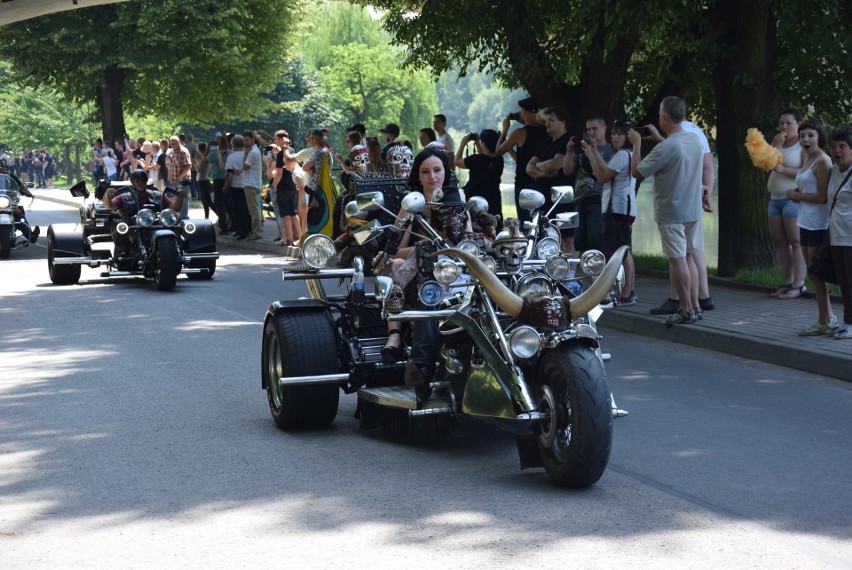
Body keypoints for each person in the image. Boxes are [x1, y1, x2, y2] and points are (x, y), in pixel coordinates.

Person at [630, 96, 704, 325]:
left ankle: (684, 309)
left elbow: (637, 171)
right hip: (693, 210)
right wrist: (660, 139)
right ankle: (695, 306)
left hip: (672, 211)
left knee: (677, 259)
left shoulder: (665, 147)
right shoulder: (693, 139)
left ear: (663, 118)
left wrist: (636, 144)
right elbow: (674, 148)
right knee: (690, 256)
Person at [648, 119, 717, 314]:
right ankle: (702, 298)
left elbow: (669, 156)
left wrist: (644, 143)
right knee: (694, 252)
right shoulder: (697, 133)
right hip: (693, 202)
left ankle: (680, 301)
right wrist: (707, 193)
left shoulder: (680, 134)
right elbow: (708, 167)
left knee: (679, 256)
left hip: (677, 204)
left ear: (665, 117)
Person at [784, 120, 835, 335]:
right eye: (802, 135)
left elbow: (824, 197)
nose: (805, 139)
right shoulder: (807, 158)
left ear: (819, 137)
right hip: (804, 221)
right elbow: (808, 185)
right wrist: (798, 192)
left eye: (810, 135)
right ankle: (828, 318)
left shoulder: (823, 161)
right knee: (813, 274)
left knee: (816, 274)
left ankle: (824, 320)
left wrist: (797, 196)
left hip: (818, 224)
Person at [585, 119, 637, 305]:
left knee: (619, 251)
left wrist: (591, 156)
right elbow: (607, 169)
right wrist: (596, 153)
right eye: (614, 133)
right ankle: (628, 291)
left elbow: (602, 177)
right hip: (625, 207)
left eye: (620, 134)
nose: (615, 137)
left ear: (628, 137)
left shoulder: (623, 155)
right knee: (624, 250)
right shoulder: (629, 154)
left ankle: (626, 292)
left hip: (617, 208)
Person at [488, 97, 548, 225]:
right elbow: (522, 159)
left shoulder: (520, 133)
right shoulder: (547, 130)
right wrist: (510, 147)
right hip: (544, 182)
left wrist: (505, 129)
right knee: (543, 223)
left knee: (527, 225)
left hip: (524, 184)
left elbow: (497, 151)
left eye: (521, 111)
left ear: (525, 112)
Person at [768, 109, 807, 299]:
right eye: (781, 123)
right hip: (774, 198)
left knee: (796, 241)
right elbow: (764, 164)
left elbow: (808, 173)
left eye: (789, 123)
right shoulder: (778, 143)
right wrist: (773, 146)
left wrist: (784, 169)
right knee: (780, 242)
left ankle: (799, 285)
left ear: (798, 124)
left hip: (792, 198)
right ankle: (786, 282)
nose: (784, 127)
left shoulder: (803, 146)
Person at [102, 168, 186, 255]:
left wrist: (180, 197)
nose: (140, 183)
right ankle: (122, 254)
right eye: (137, 181)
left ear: (146, 181)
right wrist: (107, 195)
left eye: (143, 180)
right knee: (118, 225)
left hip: (156, 225)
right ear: (132, 182)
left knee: (175, 222)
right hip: (132, 227)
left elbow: (175, 209)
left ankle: (179, 251)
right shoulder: (123, 197)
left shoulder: (157, 195)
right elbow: (108, 206)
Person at [528, 106, 574, 251]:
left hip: (563, 196)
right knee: (549, 233)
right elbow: (529, 168)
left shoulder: (568, 141)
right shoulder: (545, 142)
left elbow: (554, 165)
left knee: (567, 236)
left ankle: (571, 273)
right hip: (544, 195)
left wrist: (540, 165)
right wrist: (543, 172)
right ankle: (555, 268)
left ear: (562, 122)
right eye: (546, 120)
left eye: (551, 120)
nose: (547, 123)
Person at [563, 117, 613, 252]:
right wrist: (569, 152)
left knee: (595, 240)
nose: (591, 132)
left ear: (604, 128)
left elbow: (608, 172)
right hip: (580, 198)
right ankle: (586, 270)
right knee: (579, 242)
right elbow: (567, 170)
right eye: (588, 129)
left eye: (595, 129)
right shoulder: (582, 150)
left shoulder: (609, 150)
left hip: (598, 198)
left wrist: (593, 153)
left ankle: (599, 271)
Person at [825, 125, 852, 339]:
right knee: (844, 282)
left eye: (842, 146)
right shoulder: (834, 170)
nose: (837, 151)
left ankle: (850, 324)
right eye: (834, 147)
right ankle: (847, 321)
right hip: (836, 235)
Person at [454, 129, 504, 227]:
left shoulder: (475, 159)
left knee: (476, 224)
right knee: (493, 224)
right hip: (493, 197)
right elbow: (485, 156)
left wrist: (463, 143)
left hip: (476, 197)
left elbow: (456, 161)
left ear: (484, 143)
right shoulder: (499, 160)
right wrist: (478, 142)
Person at [272, 130, 301, 246]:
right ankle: (298, 236)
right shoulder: (292, 151)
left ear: (281, 140)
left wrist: (275, 184)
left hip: (283, 186)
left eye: (276, 139)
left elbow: (279, 172)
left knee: (285, 214)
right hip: (292, 184)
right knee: (293, 212)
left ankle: (289, 237)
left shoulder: (281, 154)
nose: (275, 141)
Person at [242, 131, 264, 239]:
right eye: (244, 140)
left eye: (247, 140)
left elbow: (245, 167)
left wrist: (245, 154)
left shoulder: (252, 152)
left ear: (252, 139)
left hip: (250, 183)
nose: (245, 142)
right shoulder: (255, 151)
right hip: (253, 182)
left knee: (254, 210)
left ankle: (257, 232)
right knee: (254, 209)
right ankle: (256, 231)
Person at [165, 136, 192, 219]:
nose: (172, 143)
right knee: (174, 199)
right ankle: (175, 217)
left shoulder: (183, 151)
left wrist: (180, 176)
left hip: (183, 180)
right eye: (171, 142)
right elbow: (168, 165)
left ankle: (184, 217)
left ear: (179, 142)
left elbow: (188, 165)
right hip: (172, 180)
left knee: (183, 198)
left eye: (174, 142)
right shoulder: (171, 151)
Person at [195, 142, 213, 219]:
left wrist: (195, 164)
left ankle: (223, 217)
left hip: (203, 181)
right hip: (201, 180)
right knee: (205, 202)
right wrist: (195, 163)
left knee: (208, 202)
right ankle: (206, 217)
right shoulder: (204, 157)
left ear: (199, 149)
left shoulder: (204, 158)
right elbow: (199, 170)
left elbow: (199, 170)